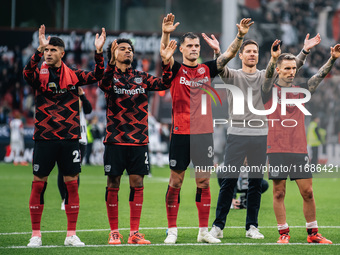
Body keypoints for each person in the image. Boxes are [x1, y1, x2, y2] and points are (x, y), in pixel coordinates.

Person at [204, 33, 321, 239]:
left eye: (255, 52)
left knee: (255, 183)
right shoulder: (233, 75)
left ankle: (252, 227)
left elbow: (291, 67)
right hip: (237, 134)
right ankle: (218, 226)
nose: (252, 54)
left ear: (259, 56)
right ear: (241, 55)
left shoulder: (265, 75)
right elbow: (220, 65)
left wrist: (304, 51)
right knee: (229, 181)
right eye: (248, 51)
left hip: (261, 135)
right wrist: (217, 51)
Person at [161, 13, 254, 244]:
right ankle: (172, 230)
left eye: (196, 45)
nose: (194, 48)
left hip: (204, 135)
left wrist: (240, 36)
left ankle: (203, 231)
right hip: (181, 134)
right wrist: (166, 33)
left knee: (203, 181)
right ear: (181, 49)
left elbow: (230, 55)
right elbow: (165, 53)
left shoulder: (206, 69)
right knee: (176, 182)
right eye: (189, 46)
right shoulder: (174, 69)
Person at [23, 24, 106, 247]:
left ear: (62, 53)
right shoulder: (38, 75)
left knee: (71, 184)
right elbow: (26, 73)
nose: (48, 54)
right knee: (38, 183)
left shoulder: (74, 76)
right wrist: (37, 51)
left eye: (52, 50)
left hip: (70, 139)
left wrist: (98, 53)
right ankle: (35, 235)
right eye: (46, 50)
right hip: (44, 138)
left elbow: (99, 74)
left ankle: (71, 234)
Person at [98, 37, 177, 245]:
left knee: (138, 183)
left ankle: (134, 233)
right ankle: (114, 232)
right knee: (113, 182)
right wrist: (107, 62)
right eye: (122, 49)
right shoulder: (109, 77)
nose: (128, 52)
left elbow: (164, 83)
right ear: (114, 54)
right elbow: (102, 82)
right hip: (115, 139)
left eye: (130, 49)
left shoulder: (141, 77)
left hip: (138, 141)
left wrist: (167, 63)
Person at [262, 40, 340, 244]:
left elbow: (319, 77)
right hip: (276, 149)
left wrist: (332, 59)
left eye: (294, 68)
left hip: (298, 149)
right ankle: (283, 234)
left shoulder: (302, 90)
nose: (291, 72)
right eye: (287, 68)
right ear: (278, 70)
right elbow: (268, 75)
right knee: (279, 193)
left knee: (308, 192)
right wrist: (273, 59)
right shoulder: (267, 90)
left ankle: (313, 234)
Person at [58, 87, 92, 210]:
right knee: (62, 170)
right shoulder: (63, 99)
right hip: (66, 138)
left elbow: (89, 109)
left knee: (75, 171)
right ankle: (64, 199)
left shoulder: (80, 102)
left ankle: (71, 198)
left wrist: (82, 95)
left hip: (81, 140)